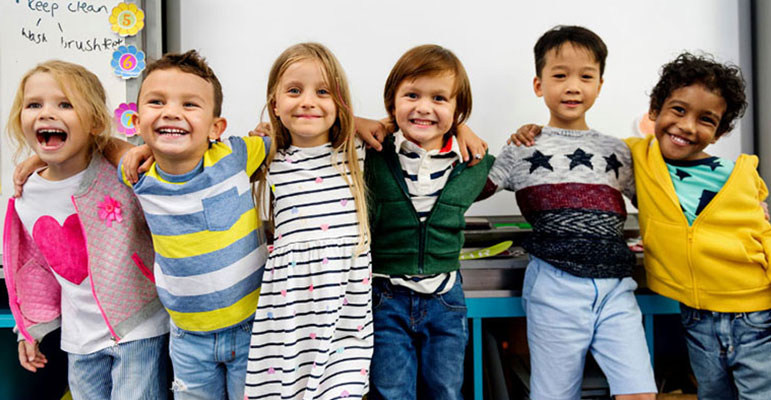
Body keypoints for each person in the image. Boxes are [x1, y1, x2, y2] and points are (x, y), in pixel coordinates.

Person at [480, 25, 657, 399]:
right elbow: (474, 191)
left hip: (615, 288)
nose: (573, 86)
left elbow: (656, 203)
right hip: (554, 285)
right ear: (538, 84)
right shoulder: (522, 147)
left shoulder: (617, 150)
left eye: (585, 76)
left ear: (599, 85)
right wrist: (461, 133)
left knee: (640, 392)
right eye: (560, 75)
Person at [626, 53, 771, 399]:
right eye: (678, 110)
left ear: (719, 132)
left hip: (755, 319)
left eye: (706, 119)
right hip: (697, 318)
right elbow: (586, 147)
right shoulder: (639, 158)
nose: (688, 126)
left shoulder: (734, 176)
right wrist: (535, 132)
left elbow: (767, 237)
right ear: (655, 110)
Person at [3, 60, 169, 399]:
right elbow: (34, 271)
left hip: (139, 326)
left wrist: (117, 147)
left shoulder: (121, 171)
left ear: (94, 122)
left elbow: (164, 157)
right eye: (34, 105)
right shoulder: (26, 195)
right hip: (79, 340)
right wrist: (28, 329)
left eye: (65, 104)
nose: (47, 113)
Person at [118, 50, 271, 399]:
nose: (171, 111)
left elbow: (298, 137)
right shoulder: (137, 175)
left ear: (216, 127)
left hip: (253, 326)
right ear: (137, 120)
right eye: (156, 102)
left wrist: (357, 122)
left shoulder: (236, 155)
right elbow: (90, 146)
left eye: (189, 105)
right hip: (188, 337)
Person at [244, 42, 373, 400]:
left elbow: (414, 125)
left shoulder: (356, 151)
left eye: (323, 92)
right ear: (275, 103)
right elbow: (202, 157)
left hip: (344, 308)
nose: (308, 101)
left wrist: (356, 121)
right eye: (294, 91)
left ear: (340, 102)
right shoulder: (268, 157)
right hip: (289, 310)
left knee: (341, 390)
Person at [366, 44, 495, 400]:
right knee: (391, 391)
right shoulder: (373, 154)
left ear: (458, 111)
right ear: (393, 103)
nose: (423, 107)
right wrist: (382, 124)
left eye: (439, 98)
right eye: (411, 95)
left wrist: (462, 128)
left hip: (445, 300)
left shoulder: (472, 161)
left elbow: (516, 164)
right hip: (386, 296)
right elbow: (330, 130)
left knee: (446, 391)